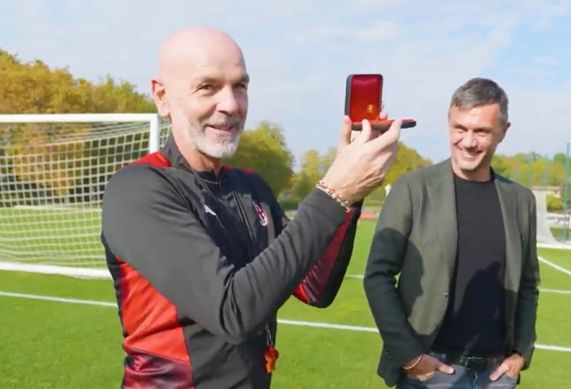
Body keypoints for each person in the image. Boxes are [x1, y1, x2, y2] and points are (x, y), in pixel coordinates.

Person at [101, 26, 402, 388]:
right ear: (163, 97)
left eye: (240, 86)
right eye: (207, 87)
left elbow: (314, 287)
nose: (230, 104)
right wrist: (334, 190)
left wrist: (350, 194)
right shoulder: (138, 188)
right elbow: (234, 313)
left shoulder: (250, 187)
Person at [364, 78, 540, 388]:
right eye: (460, 128)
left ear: (503, 131)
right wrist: (410, 357)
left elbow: (527, 283)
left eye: (481, 132)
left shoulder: (520, 201)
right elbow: (377, 276)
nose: (468, 141)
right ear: (449, 124)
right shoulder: (413, 189)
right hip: (430, 371)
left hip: (497, 375)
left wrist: (522, 353)